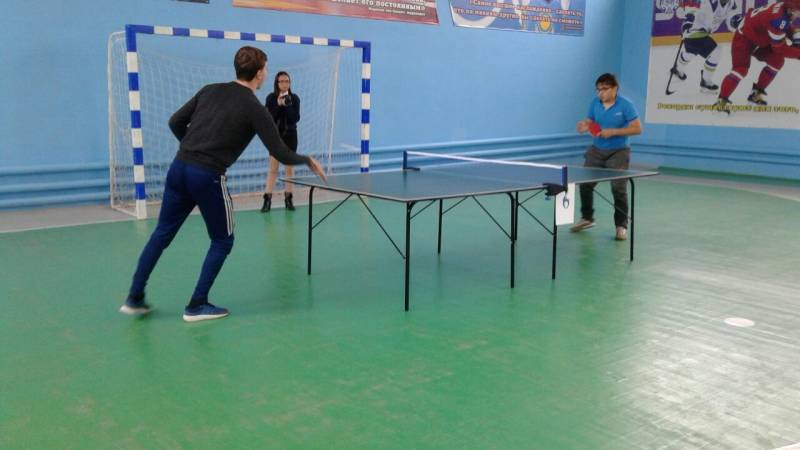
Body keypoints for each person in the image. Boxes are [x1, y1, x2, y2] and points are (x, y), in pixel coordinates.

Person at [119, 46, 326, 322]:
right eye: (265, 68)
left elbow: (175, 121)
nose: (266, 73)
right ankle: (197, 305)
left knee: (162, 233)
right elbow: (280, 152)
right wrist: (307, 160)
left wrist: (193, 147)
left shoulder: (210, 90)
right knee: (223, 239)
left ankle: (134, 298)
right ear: (259, 73)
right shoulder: (255, 108)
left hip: (179, 168)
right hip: (207, 176)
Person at [572, 73, 643, 241]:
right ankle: (587, 218)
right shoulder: (595, 103)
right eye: (598, 89)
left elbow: (637, 129)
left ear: (614, 89)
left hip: (619, 151)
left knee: (618, 188)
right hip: (597, 149)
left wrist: (613, 132)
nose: (600, 93)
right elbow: (590, 121)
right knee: (585, 183)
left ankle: (621, 226)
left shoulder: (626, 105)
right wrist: (584, 125)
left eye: (604, 89)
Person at [715, 0, 800, 113]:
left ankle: (756, 93)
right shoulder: (778, 19)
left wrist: (795, 36)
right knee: (740, 69)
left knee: (777, 61)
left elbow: (785, 25)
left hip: (758, 37)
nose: (799, 14)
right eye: (799, 11)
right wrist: (797, 53)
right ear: (791, 9)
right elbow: (780, 48)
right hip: (744, 39)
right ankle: (721, 102)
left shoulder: (783, 8)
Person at [670, 0, 742, 94]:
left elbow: (731, 18)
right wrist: (687, 22)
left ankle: (678, 69)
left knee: (691, 53)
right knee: (716, 51)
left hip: (703, 32)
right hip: (694, 30)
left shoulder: (731, 3)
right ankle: (705, 82)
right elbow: (691, 6)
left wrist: (734, 22)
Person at [261, 71, 301, 212]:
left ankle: (288, 199)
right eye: (282, 81)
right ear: (277, 83)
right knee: (273, 169)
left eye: (287, 81)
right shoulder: (271, 98)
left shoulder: (294, 98)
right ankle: (267, 200)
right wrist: (278, 104)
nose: (284, 84)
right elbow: (268, 118)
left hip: (291, 137)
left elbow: (295, 118)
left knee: (289, 169)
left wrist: (288, 104)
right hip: (276, 137)